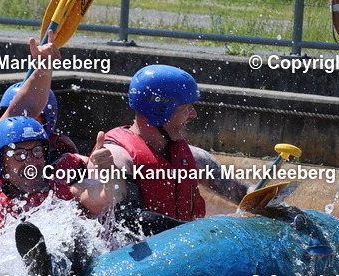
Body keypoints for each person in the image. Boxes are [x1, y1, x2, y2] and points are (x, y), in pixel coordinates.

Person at [0, 116, 123, 276]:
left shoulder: (63, 184)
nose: (31, 161)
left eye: (37, 151)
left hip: (81, 269)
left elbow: (109, 196)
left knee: (71, 230)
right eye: (19, 155)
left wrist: (109, 172)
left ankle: (47, 270)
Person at [101, 65, 250, 235]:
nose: (193, 114)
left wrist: (267, 200)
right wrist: (201, 231)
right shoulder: (114, 157)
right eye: (186, 107)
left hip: (183, 244)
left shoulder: (194, 157)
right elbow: (128, 219)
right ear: (158, 111)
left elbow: (244, 194)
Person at [0, 38, 74, 185]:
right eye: (10, 117)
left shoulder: (61, 149)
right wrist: (42, 70)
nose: (21, 127)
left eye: (32, 120)